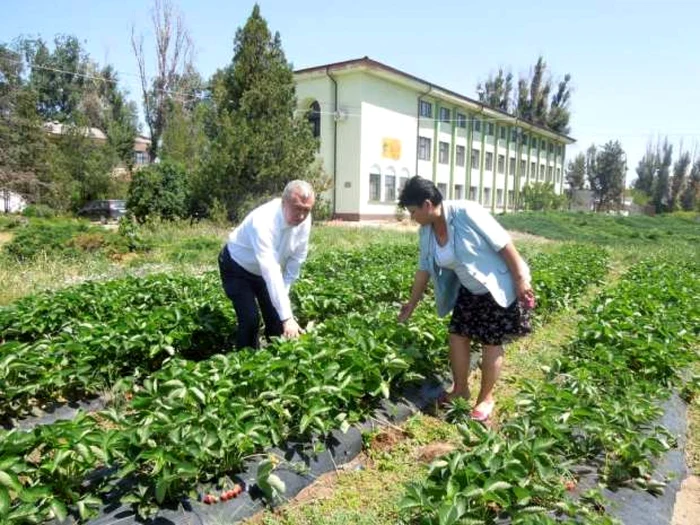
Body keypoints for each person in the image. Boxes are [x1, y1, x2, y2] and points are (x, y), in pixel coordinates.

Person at [397, 176, 534, 421]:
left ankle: (486, 398)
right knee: (457, 335)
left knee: (490, 341)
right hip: (469, 289)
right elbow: (423, 269)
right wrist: (411, 304)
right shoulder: (426, 232)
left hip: (497, 284)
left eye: (413, 211)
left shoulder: (466, 212)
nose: (412, 217)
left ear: (427, 205)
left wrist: (521, 279)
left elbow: (504, 245)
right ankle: (460, 390)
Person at [218, 180, 315, 350]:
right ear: (283, 202)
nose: (301, 215)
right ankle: (245, 366)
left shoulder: (304, 221)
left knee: (276, 319)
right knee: (250, 319)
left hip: (262, 272)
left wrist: (282, 311)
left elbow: (295, 262)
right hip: (237, 267)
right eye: (297, 208)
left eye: (306, 210)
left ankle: (276, 361)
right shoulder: (264, 221)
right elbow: (271, 270)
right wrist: (287, 318)